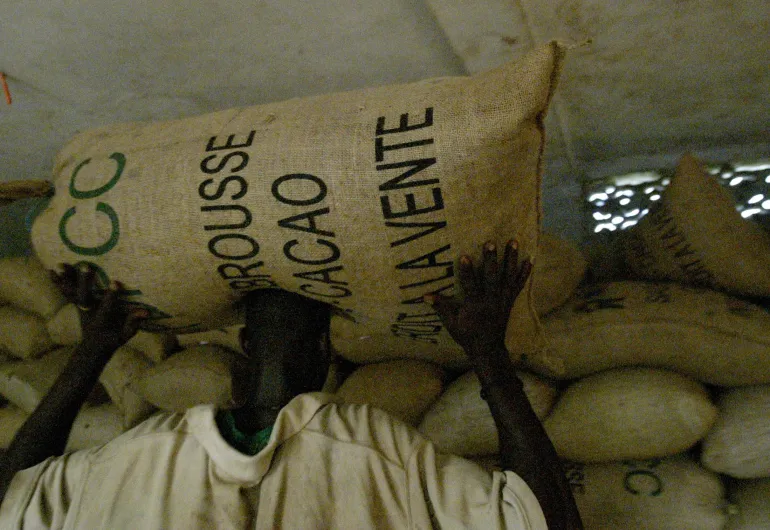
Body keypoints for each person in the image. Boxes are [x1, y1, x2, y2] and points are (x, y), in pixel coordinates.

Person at [0, 241, 582, 529]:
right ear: (329, 351)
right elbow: (543, 517)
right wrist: (486, 352)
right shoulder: (375, 446)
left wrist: (94, 351)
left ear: (244, 347)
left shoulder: (142, 452)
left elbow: (12, 490)